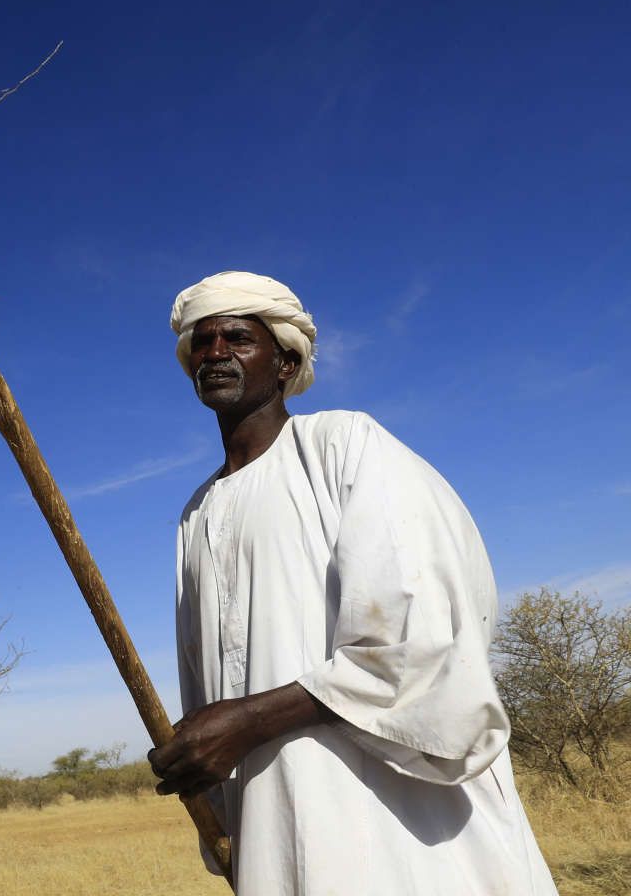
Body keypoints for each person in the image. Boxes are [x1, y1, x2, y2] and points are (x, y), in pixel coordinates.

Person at [147, 271, 557, 895]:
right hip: (271, 808)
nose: (215, 353)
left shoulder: (344, 446)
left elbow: (421, 639)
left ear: (285, 361)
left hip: (394, 805)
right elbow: (206, 672)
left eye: (237, 337)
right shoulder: (196, 512)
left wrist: (248, 721)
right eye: (201, 343)